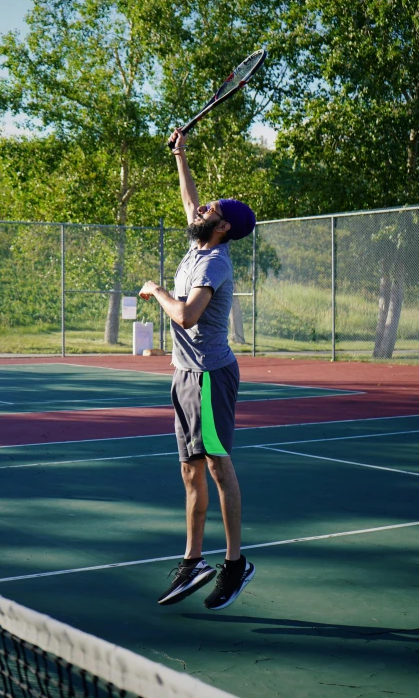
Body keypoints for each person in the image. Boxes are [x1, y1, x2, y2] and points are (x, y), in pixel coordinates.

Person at [138, 128, 256, 611]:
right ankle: (193, 562)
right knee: (190, 471)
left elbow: (185, 315)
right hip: (186, 374)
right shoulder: (196, 244)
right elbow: (188, 198)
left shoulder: (213, 265)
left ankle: (233, 563)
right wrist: (180, 152)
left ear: (223, 228)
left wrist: (155, 290)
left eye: (213, 210)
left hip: (209, 375)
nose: (203, 207)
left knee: (216, 465)